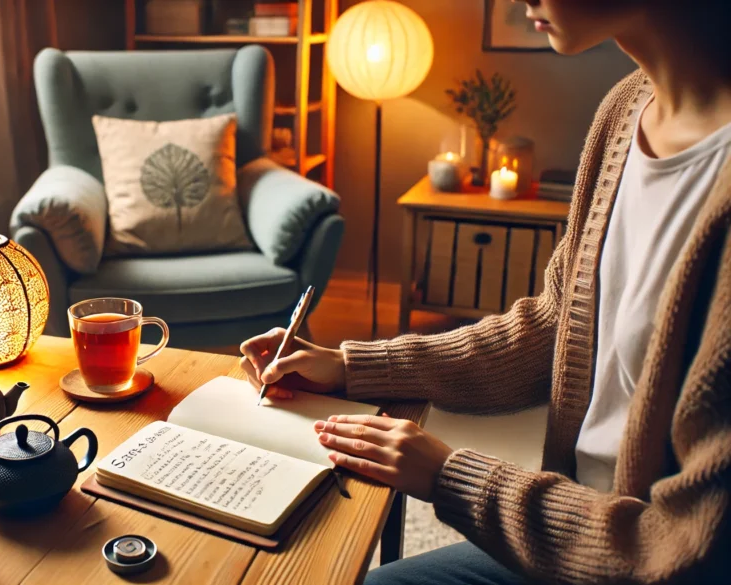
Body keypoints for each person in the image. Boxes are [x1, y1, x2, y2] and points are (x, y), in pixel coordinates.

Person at [239, 1, 731, 583]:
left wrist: (450, 475)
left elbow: (686, 549)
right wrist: (349, 365)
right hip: (569, 540)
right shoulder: (625, 110)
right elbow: (555, 330)